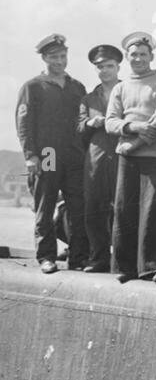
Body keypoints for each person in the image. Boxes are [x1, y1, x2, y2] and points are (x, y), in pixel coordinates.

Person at [105, 31, 156, 283]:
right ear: (127, 57)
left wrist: (134, 143)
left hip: (155, 155)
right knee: (125, 209)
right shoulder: (120, 88)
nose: (138, 58)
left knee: (155, 211)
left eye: (143, 54)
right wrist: (133, 127)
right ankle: (125, 267)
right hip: (127, 156)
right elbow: (111, 122)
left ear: (151, 56)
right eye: (134, 54)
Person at [16, 34, 88, 273]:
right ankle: (46, 256)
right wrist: (30, 155)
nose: (59, 61)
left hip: (74, 155)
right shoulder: (33, 86)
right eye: (54, 57)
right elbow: (24, 124)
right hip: (47, 153)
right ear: (44, 58)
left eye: (63, 56)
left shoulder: (77, 87)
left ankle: (78, 257)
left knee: (78, 208)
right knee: (45, 206)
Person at [77, 43, 122, 273]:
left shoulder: (128, 90)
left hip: (124, 156)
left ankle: (123, 260)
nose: (105, 70)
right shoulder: (88, 98)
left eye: (109, 66)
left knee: (124, 209)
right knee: (94, 209)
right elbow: (79, 127)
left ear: (118, 67)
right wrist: (90, 123)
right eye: (100, 67)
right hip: (96, 158)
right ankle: (99, 258)